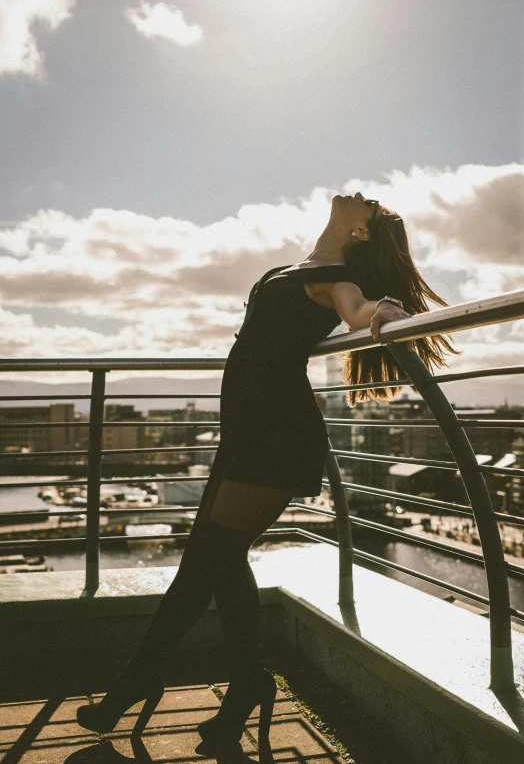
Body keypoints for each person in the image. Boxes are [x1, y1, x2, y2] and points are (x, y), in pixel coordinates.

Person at [76, 192, 455, 759]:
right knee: (202, 560)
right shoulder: (295, 268)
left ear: (362, 234)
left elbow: (356, 312)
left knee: (215, 555)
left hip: (278, 437)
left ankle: (156, 684)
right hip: (245, 437)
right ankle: (215, 683)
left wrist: (382, 313)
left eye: (372, 208)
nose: (365, 198)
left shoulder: (337, 279)